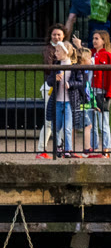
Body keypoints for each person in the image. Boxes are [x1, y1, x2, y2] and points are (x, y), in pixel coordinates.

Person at [88, 30, 111, 156]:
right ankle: (93, 146)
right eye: (93, 38)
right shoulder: (91, 53)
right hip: (90, 92)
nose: (94, 41)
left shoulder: (108, 56)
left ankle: (106, 148)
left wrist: (109, 92)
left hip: (102, 92)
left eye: (97, 39)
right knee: (91, 123)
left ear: (103, 41)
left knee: (103, 123)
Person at [37, 26, 65, 158]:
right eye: (54, 34)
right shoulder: (49, 49)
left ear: (63, 36)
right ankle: (41, 149)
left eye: (59, 35)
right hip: (51, 87)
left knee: (62, 120)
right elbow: (49, 67)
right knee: (49, 120)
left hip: (62, 87)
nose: (56, 37)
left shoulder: (65, 48)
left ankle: (61, 148)